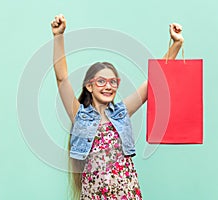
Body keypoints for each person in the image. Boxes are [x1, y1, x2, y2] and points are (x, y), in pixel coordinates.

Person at [50, 14, 183, 200]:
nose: (108, 86)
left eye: (113, 81)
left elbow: (154, 81)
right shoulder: (80, 116)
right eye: (102, 81)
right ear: (89, 85)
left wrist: (176, 45)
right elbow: (62, 78)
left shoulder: (121, 112)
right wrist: (58, 36)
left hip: (127, 194)